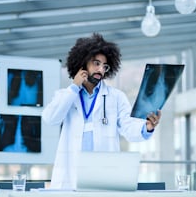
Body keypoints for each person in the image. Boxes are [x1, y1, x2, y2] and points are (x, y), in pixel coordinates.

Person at [42, 33, 161, 189]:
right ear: (82, 63)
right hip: (71, 175)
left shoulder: (116, 97)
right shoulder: (66, 95)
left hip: (103, 174)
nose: (100, 69)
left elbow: (127, 125)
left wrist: (146, 127)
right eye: (96, 63)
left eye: (105, 66)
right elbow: (50, 119)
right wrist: (73, 87)